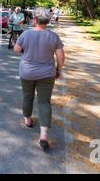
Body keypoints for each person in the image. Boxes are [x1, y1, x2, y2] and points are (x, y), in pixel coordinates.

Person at [14, 8, 65, 151]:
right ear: (47, 21)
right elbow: (61, 57)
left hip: (27, 72)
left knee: (27, 96)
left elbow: (17, 50)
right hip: (47, 74)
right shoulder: (54, 36)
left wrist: (27, 50)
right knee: (44, 102)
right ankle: (43, 136)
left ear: (34, 20)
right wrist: (58, 70)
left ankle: (28, 121)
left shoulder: (26, 34)